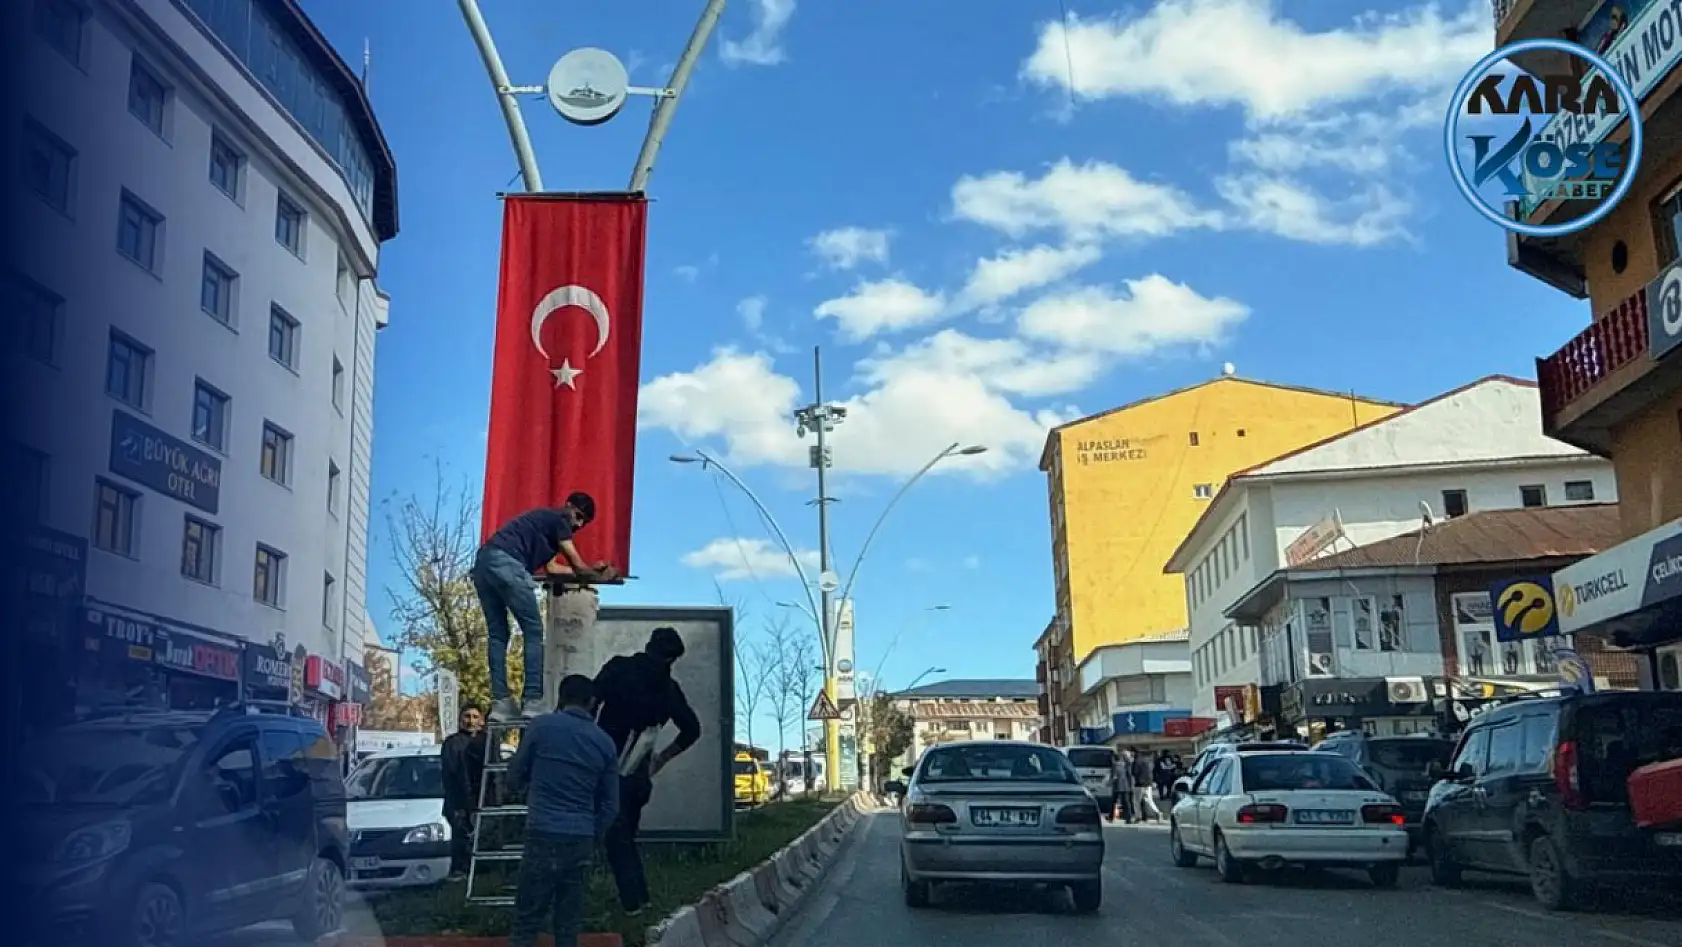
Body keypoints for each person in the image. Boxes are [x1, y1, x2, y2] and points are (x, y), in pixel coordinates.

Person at [474, 494, 617, 721]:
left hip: (483, 564)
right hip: (508, 563)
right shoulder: (558, 519)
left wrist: (591, 570)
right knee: (532, 632)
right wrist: (601, 575)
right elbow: (578, 567)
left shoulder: (544, 523)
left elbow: (553, 569)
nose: (578, 525)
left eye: (584, 522)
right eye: (578, 517)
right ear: (568, 506)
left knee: (498, 635)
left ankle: (500, 702)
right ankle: (532, 699)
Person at [593, 627, 702, 915]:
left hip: (602, 764)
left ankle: (632, 904)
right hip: (638, 771)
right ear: (673, 659)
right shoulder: (669, 690)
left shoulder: (619, 668)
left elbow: (590, 701)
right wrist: (661, 759)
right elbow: (692, 730)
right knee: (625, 835)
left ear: (648, 645)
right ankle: (639, 900)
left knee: (612, 837)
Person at [506, 674, 619, 947]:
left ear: (560, 697)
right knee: (567, 925)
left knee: (526, 921)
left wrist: (526, 790)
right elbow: (611, 806)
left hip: (542, 833)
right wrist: (592, 832)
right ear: (592, 702)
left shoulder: (541, 727)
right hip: (580, 838)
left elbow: (514, 775)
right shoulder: (604, 742)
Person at [440, 704, 487, 878]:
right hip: (459, 803)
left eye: (475, 717)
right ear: (460, 719)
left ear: (482, 721)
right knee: (462, 845)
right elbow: (450, 776)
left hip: (483, 801)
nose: (471, 721)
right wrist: (457, 806)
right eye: (467, 716)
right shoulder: (453, 743)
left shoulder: (487, 742)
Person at [1132, 748, 1162, 822]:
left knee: (1136, 801)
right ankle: (1157, 812)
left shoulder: (1136, 762)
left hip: (1139, 784)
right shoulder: (1148, 762)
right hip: (1148, 783)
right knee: (1149, 800)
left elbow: (1134, 772)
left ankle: (1138, 816)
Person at [1113, 750, 1135, 822]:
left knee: (1126, 801)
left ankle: (1128, 817)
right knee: (1126, 801)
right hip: (1126, 785)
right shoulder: (1127, 764)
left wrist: (1131, 785)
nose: (1123, 757)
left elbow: (1129, 775)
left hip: (1126, 785)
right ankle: (1127, 816)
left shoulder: (1128, 764)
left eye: (1124, 756)